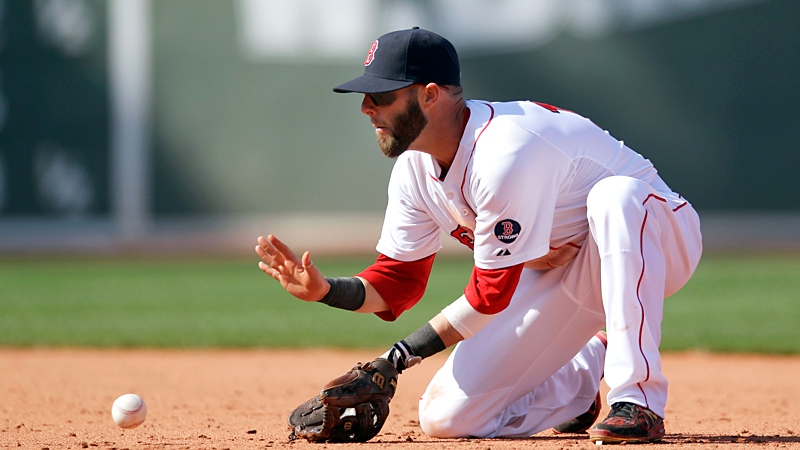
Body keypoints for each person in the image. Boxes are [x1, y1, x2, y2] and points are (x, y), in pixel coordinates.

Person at [255, 27, 702, 444]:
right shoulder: (414, 167)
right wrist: (324, 290)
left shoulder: (504, 150)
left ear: (430, 95)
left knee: (616, 196)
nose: (366, 107)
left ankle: (638, 399)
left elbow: (489, 294)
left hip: (655, 238)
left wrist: (395, 359)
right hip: (565, 269)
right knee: (448, 419)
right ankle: (583, 373)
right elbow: (397, 281)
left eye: (381, 95)